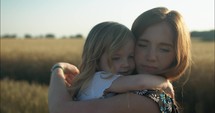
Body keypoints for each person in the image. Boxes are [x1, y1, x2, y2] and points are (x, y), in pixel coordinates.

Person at [48, 7, 191, 113]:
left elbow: (60, 107)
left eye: (164, 49)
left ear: (178, 54)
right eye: (142, 45)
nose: (151, 57)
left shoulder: (147, 98)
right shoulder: (139, 93)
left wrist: (58, 69)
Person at [63, 21, 171, 101]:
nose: (126, 64)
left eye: (131, 57)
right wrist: (165, 83)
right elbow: (140, 83)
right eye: (116, 58)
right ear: (96, 59)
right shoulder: (99, 79)